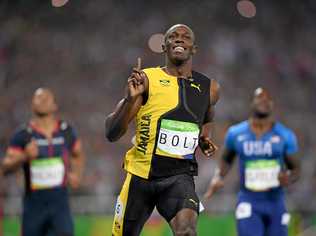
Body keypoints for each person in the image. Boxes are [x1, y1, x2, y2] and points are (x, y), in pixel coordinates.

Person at [105, 24, 220, 236]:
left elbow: (207, 115)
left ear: (194, 48)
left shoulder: (209, 88)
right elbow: (112, 133)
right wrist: (129, 100)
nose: (179, 39)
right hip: (140, 177)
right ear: (163, 46)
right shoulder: (145, 80)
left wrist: (205, 137)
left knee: (186, 231)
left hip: (179, 178)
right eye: (173, 37)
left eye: (185, 37)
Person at [204, 88, 300, 236]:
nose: (264, 101)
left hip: (276, 202)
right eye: (260, 97)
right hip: (249, 201)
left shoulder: (285, 135)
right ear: (251, 102)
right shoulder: (236, 134)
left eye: (268, 99)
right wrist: (218, 177)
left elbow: (296, 170)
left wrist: (288, 177)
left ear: (273, 105)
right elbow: (226, 160)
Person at [0, 88, 85, 236]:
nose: (43, 100)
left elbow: (78, 154)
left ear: (54, 105)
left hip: (60, 206)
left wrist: (76, 174)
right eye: (38, 98)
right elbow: (5, 167)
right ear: (32, 105)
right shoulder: (23, 134)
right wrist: (24, 156)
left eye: (47, 98)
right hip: (33, 206)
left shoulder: (66, 131)